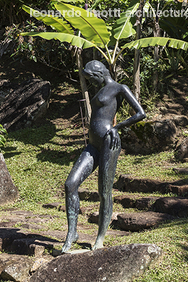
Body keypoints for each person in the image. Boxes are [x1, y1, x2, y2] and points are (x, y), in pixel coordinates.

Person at [61, 60, 146, 253]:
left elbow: (141, 113)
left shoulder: (119, 88)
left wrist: (116, 128)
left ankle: (100, 237)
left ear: (99, 73)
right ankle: (72, 233)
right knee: (70, 184)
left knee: (104, 191)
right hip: (93, 145)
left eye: (91, 77)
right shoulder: (99, 91)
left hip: (109, 142)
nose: (90, 82)